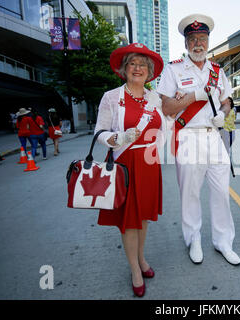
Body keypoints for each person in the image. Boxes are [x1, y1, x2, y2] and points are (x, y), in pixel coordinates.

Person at [157, 14, 240, 266]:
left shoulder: (217, 70)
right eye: (193, 39)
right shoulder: (173, 69)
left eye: (202, 39)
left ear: (208, 42)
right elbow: (167, 107)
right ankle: (193, 238)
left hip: (214, 137)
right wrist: (193, 96)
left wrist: (223, 116)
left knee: (220, 192)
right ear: (185, 44)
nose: (198, 44)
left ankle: (223, 241)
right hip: (188, 137)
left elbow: (227, 102)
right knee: (190, 194)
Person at [94, 43, 168, 297]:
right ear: (124, 69)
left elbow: (163, 127)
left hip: (149, 163)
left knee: (143, 216)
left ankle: (141, 258)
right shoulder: (111, 97)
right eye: (133, 64)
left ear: (149, 71)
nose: (138, 68)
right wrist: (118, 138)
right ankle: (135, 269)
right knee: (129, 221)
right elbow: (100, 132)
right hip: (125, 165)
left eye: (143, 65)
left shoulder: (154, 97)